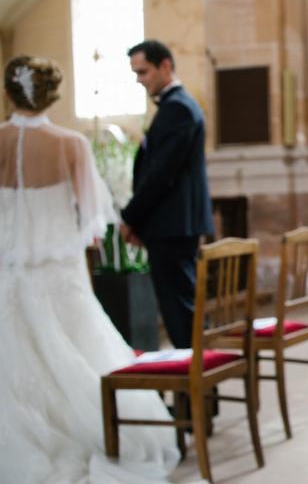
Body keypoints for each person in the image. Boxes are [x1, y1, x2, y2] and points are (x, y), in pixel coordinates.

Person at [0, 56, 179, 482]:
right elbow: (92, 223)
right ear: (53, 93)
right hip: (59, 273)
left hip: (7, 270)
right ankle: (99, 436)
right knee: (79, 354)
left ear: (10, 92)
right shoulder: (71, 144)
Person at [121, 40, 214, 350]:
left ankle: (196, 388)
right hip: (173, 225)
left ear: (165, 66)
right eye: (135, 73)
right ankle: (198, 388)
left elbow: (161, 174)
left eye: (143, 72)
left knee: (180, 315)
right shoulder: (177, 106)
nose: (139, 80)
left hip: (172, 227)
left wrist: (130, 217)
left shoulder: (178, 109)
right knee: (180, 312)